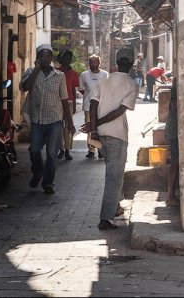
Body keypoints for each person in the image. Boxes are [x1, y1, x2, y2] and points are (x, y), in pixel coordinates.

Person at [82, 48, 138, 230]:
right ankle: (105, 219)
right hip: (116, 135)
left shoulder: (105, 81)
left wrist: (94, 126)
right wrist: (95, 125)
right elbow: (120, 111)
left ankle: (114, 208)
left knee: (115, 172)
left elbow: (93, 102)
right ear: (131, 64)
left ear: (116, 62)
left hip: (102, 135)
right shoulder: (131, 84)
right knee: (114, 177)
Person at [20, 44, 75, 195]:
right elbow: (24, 87)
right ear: (37, 58)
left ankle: (48, 183)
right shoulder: (31, 72)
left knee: (52, 153)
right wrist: (37, 69)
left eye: (47, 56)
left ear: (51, 58)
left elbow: (64, 99)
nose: (45, 59)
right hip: (37, 119)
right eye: (41, 56)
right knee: (35, 150)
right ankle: (37, 172)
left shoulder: (59, 76)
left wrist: (70, 123)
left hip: (55, 120)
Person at [78, 54, 108, 159]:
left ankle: (100, 150)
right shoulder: (84, 75)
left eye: (95, 62)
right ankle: (91, 149)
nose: (93, 64)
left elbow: (108, 89)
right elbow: (81, 89)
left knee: (100, 127)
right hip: (88, 106)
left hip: (102, 106)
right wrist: (89, 96)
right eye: (91, 62)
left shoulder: (105, 75)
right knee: (90, 127)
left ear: (99, 63)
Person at [56, 50, 79, 160]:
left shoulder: (73, 73)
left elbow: (74, 90)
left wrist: (74, 105)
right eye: (66, 58)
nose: (68, 60)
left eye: (69, 58)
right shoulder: (55, 72)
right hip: (57, 102)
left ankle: (67, 150)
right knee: (59, 127)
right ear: (61, 59)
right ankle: (60, 149)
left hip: (69, 102)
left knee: (68, 126)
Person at [164, 77, 180, 206]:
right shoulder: (175, 99)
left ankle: (171, 195)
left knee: (175, 162)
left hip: (174, 129)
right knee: (175, 162)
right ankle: (170, 196)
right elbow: (174, 105)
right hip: (175, 130)